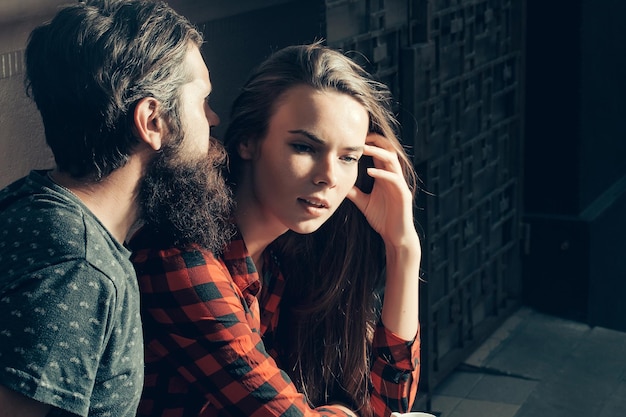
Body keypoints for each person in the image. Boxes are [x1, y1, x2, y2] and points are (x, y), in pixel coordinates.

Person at [130, 41, 421, 417]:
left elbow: (389, 407)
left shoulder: (285, 262)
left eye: (348, 157)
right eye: (304, 147)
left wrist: (403, 249)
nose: (329, 177)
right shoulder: (181, 262)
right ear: (248, 141)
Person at [0, 0, 231, 416]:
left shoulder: (28, 206)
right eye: (202, 101)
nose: (213, 119)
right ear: (153, 121)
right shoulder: (80, 267)